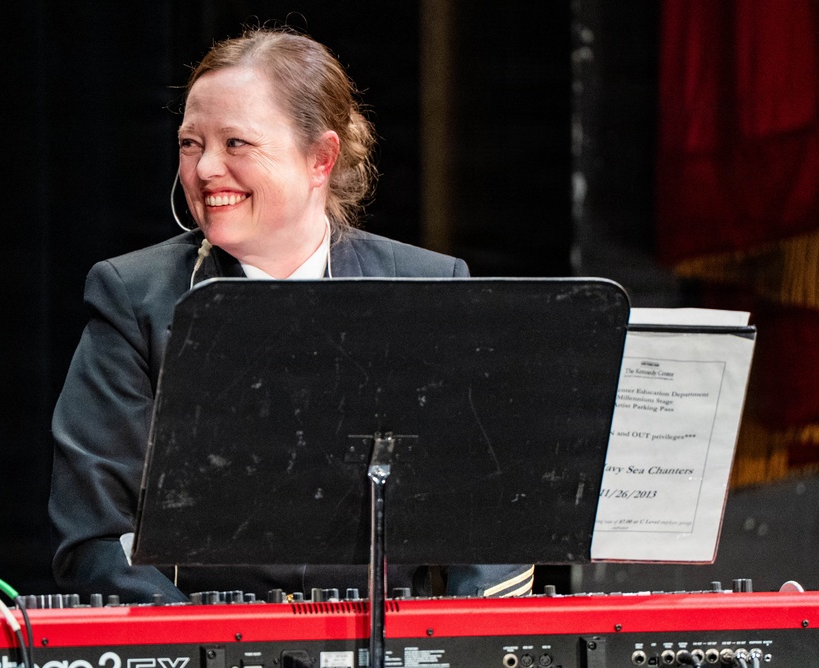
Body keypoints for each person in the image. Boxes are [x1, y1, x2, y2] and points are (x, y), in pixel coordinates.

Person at [49, 26, 534, 603]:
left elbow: (487, 520)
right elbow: (96, 536)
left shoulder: (430, 286)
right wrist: (216, 648)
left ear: (320, 158)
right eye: (190, 143)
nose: (205, 169)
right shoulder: (134, 297)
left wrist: (454, 645)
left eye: (236, 143)